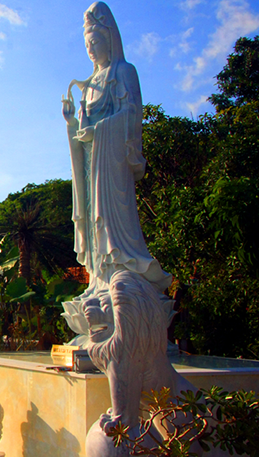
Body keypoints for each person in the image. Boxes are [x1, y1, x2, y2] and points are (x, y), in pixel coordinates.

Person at [61, 2, 171, 302]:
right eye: (87, 45)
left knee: (111, 218)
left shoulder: (124, 71)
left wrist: (100, 131)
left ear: (110, 40)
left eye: (96, 42)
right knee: (92, 217)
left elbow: (132, 113)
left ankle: (123, 277)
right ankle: (99, 280)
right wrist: (72, 122)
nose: (91, 50)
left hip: (111, 163)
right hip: (91, 163)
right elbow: (82, 131)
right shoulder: (90, 84)